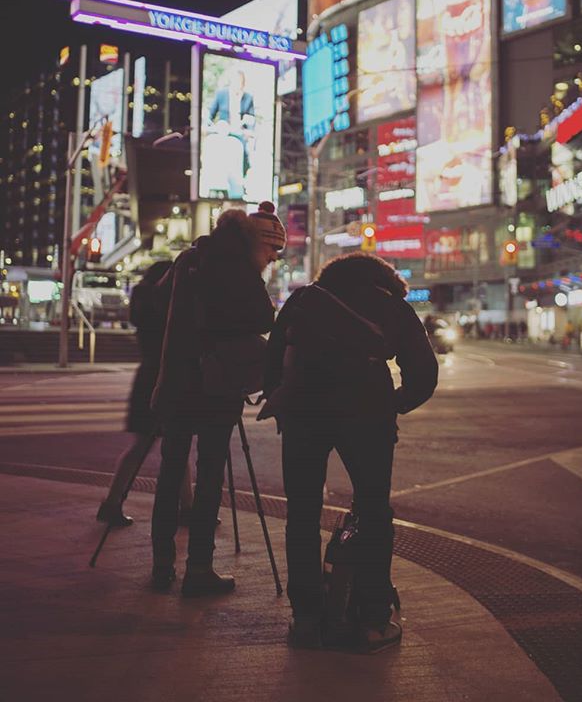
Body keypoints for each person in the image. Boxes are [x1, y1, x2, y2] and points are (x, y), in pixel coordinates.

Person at [259, 252, 439, 653]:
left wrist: (281, 400)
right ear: (381, 280)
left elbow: (271, 362)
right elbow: (424, 375)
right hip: (367, 412)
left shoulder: (305, 299)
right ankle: (373, 619)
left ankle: (306, 617)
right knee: (374, 511)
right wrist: (394, 403)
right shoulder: (391, 305)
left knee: (302, 514)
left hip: (305, 410)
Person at [149, 201, 285, 595]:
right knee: (209, 474)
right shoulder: (241, 269)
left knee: (171, 470)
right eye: (270, 252)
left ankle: (161, 564)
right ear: (255, 242)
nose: (270, 259)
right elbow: (265, 319)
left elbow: (160, 306)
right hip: (218, 384)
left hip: (177, 379)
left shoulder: (192, 257)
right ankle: (199, 569)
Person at [96, 261, 193, 527]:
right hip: (166, 377)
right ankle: (185, 507)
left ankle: (114, 502)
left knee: (144, 446)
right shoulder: (167, 309)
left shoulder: (144, 305)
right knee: (175, 443)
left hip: (146, 377)